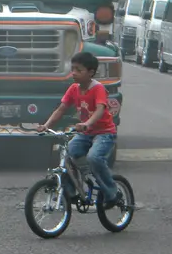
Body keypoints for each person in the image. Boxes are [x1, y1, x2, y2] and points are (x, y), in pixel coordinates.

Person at [37, 51, 122, 209]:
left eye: (79, 70)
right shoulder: (73, 89)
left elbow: (100, 109)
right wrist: (46, 125)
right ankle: (72, 192)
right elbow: (61, 109)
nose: (74, 73)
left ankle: (112, 193)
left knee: (95, 158)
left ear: (91, 72)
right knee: (68, 153)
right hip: (85, 133)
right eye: (73, 69)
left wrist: (87, 123)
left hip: (104, 133)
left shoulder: (97, 89)